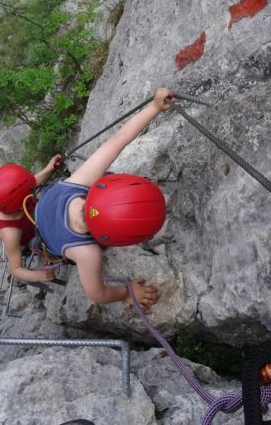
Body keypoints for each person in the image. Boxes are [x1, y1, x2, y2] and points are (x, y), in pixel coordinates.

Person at [35, 87, 174, 311]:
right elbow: (97, 294)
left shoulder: (77, 182)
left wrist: (154, 107)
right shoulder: (87, 252)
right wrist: (128, 292)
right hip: (50, 236)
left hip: (46, 205)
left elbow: (117, 141)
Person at [0, 154, 62, 283]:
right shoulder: (10, 233)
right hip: (39, 237)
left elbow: (28, 185)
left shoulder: (13, 201)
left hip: (40, 217)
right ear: (20, 205)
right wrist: (37, 276)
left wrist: (49, 168)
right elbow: (16, 269)